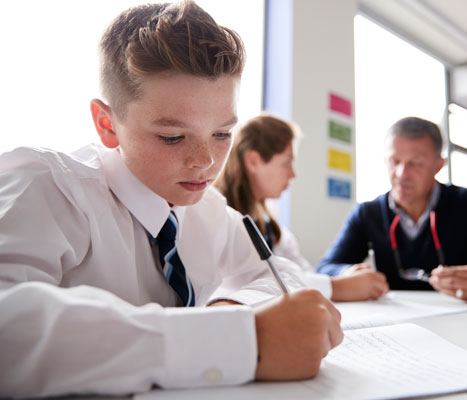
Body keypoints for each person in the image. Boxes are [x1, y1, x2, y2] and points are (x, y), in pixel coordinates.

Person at [0, 2, 343, 398]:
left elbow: (278, 272)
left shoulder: (208, 210)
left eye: (221, 133)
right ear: (107, 124)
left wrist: (230, 311)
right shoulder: (45, 188)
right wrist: (227, 342)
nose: (206, 162)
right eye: (172, 137)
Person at [316, 116, 467, 303]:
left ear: (438, 165)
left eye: (415, 163)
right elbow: (325, 268)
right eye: (394, 161)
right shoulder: (367, 214)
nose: (401, 174)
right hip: (397, 330)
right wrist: (350, 273)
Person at [214, 114, 389, 301]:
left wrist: (344, 276)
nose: (293, 174)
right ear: (253, 161)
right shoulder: (218, 216)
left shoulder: (273, 228)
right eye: (287, 162)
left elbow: (299, 271)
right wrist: (338, 287)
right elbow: (249, 281)